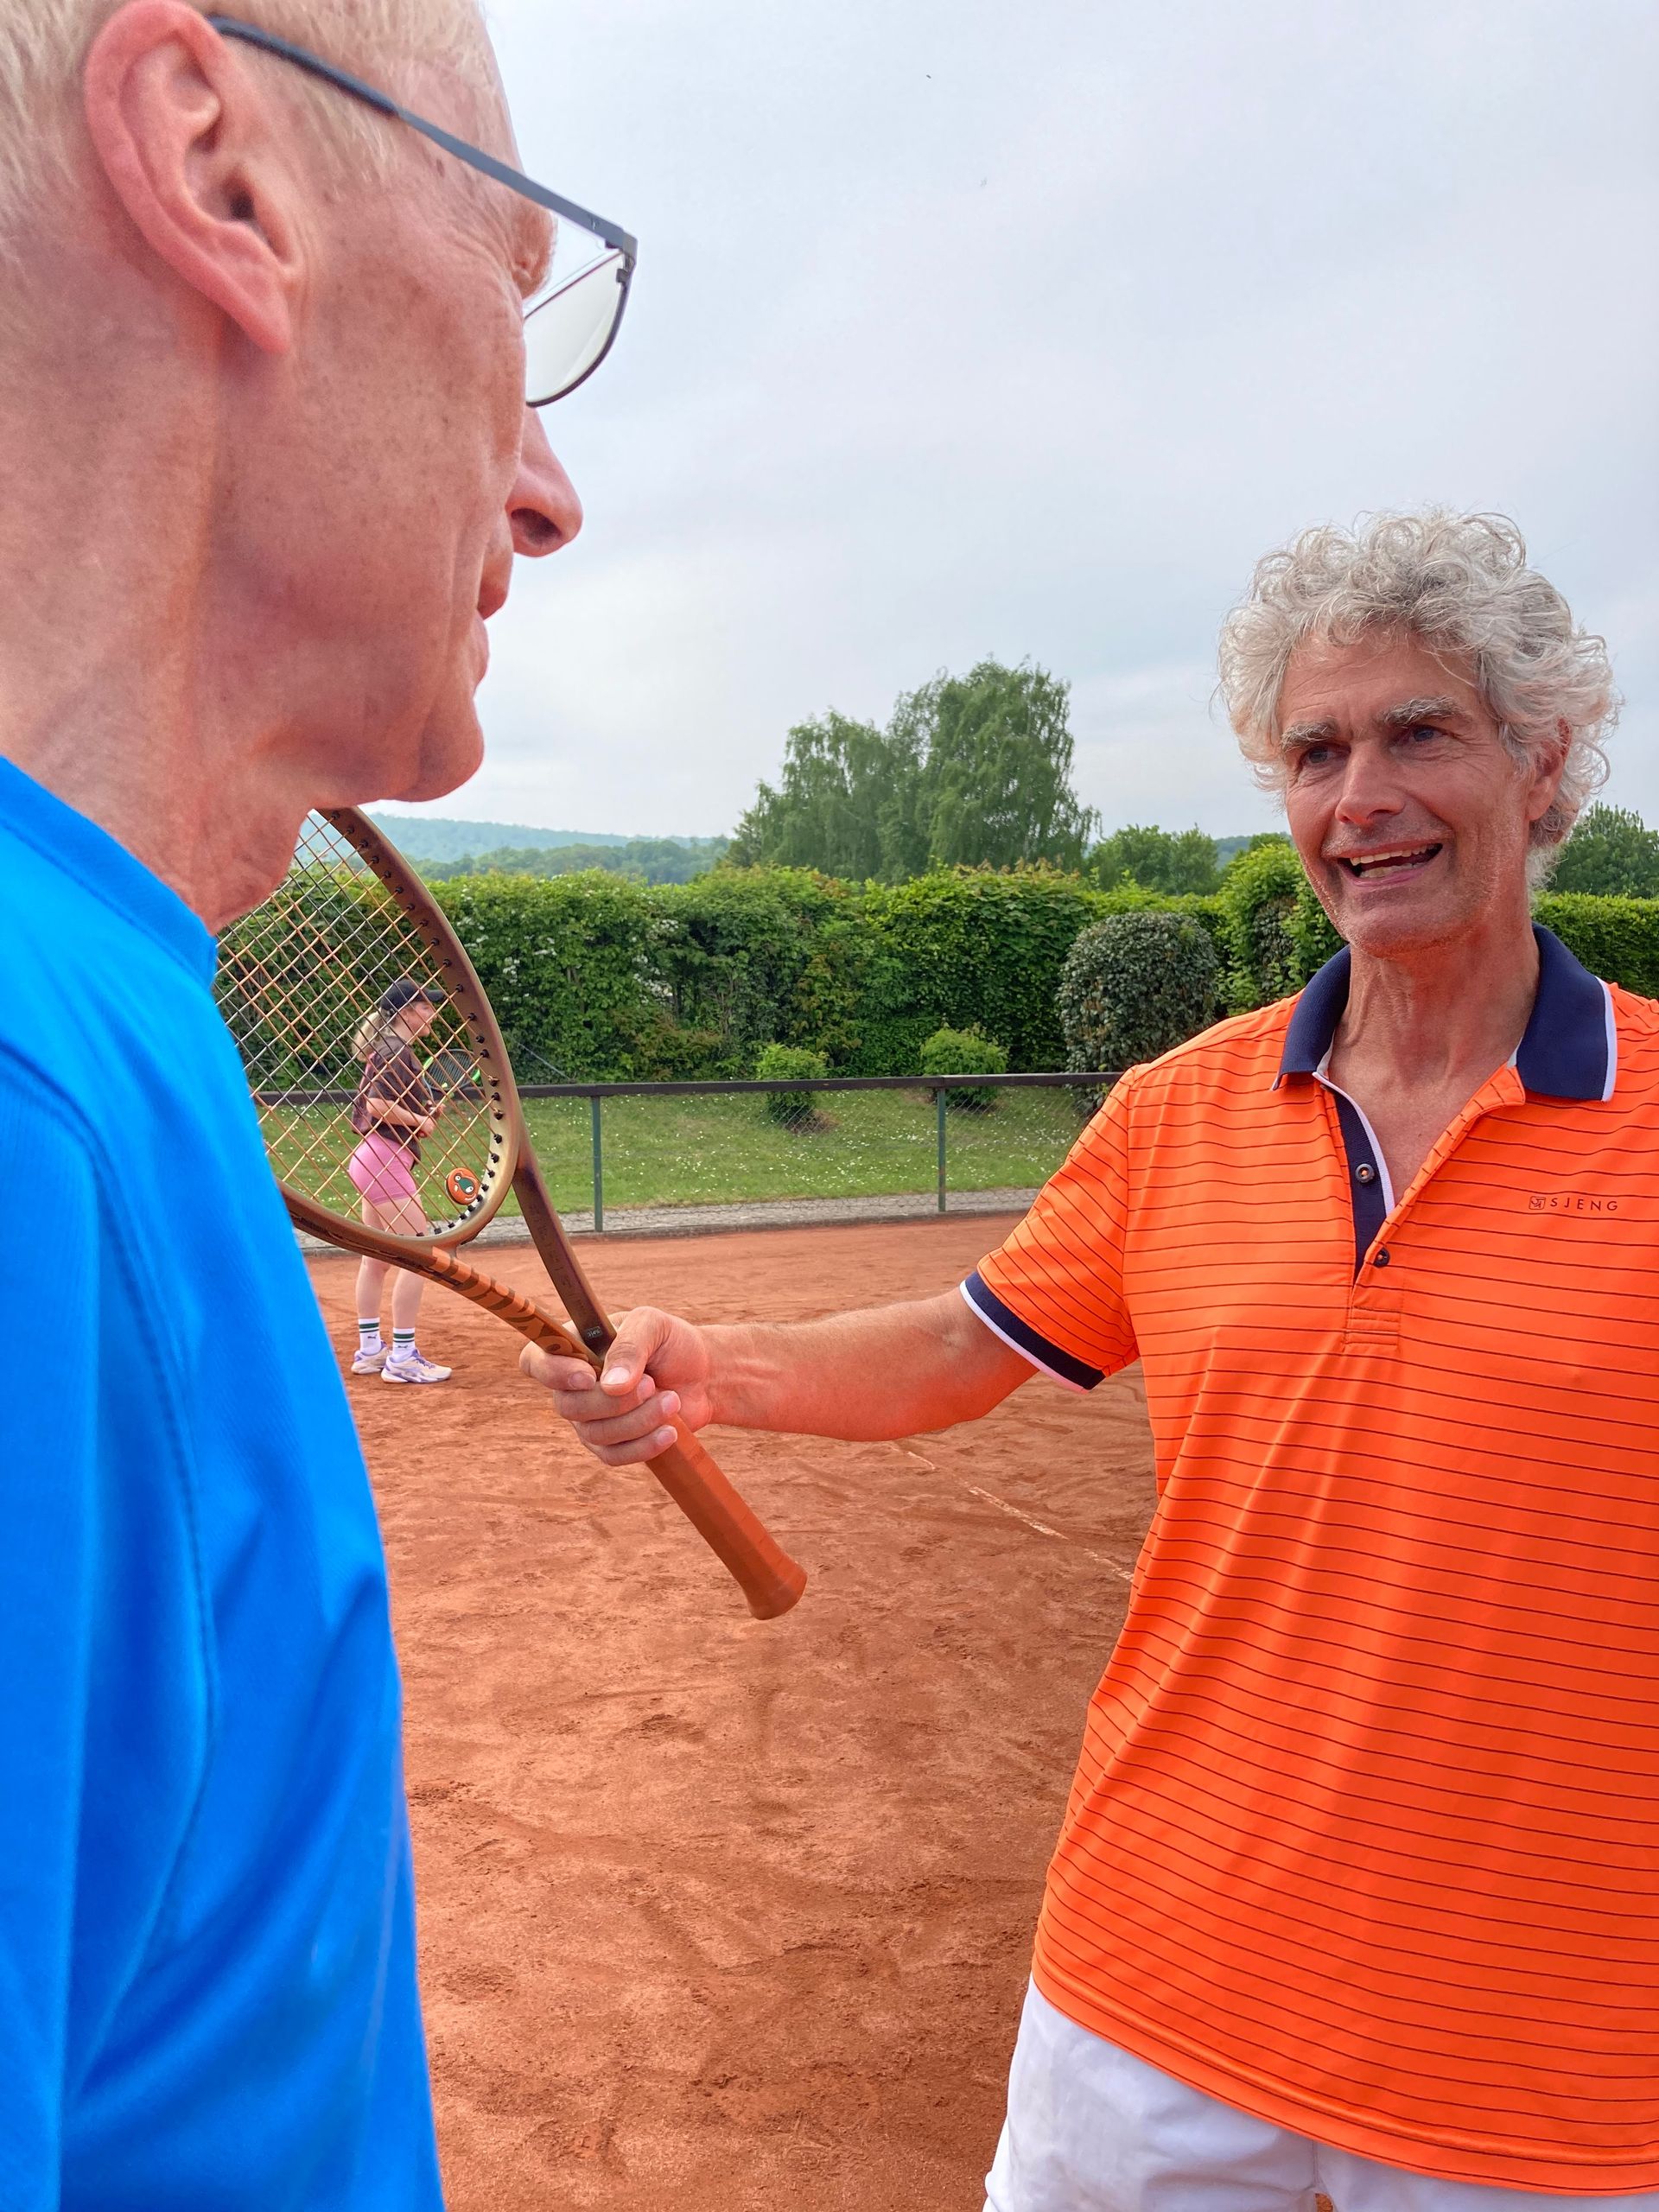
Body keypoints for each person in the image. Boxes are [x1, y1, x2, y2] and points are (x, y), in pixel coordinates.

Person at [531, 511, 1659, 2209]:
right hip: (1153, 1982)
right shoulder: (1177, 1113)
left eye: (1419, 731)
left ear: (1544, 752)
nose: (1361, 797)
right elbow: (960, 1341)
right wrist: (720, 1366)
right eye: (1316, 750)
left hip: (1541, 2055)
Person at [0, 0, 615, 2198]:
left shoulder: (96, 1005)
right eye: (517, 287)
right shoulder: (25, 1093)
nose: (548, 489)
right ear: (219, 166)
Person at [348, 977, 453, 1384]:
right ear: (406, 1011)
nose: (433, 1014)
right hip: (384, 1160)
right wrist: (418, 1120)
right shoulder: (396, 1050)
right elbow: (377, 1105)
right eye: (426, 1006)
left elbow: (385, 1104)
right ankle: (403, 1358)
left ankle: (370, 1351)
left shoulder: (386, 1048)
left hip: (371, 1158)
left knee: (375, 1260)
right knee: (419, 1255)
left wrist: (423, 1115)